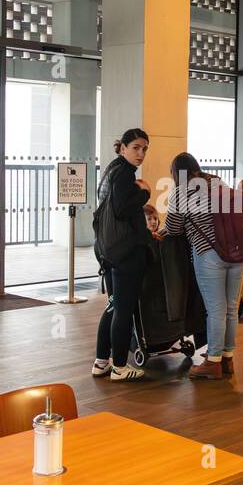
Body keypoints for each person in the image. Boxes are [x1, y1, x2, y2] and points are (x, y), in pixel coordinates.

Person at [163, 152, 243, 380]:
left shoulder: (181, 191)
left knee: (216, 309)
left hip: (209, 254)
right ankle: (227, 358)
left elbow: (173, 228)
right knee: (230, 308)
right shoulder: (218, 183)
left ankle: (213, 360)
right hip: (237, 252)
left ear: (176, 172)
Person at [92, 128, 153, 381]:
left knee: (114, 305)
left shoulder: (111, 170)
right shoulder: (125, 174)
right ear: (123, 147)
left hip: (109, 251)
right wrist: (145, 192)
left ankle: (101, 361)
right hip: (126, 253)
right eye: (136, 147)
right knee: (124, 308)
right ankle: (119, 365)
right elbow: (121, 208)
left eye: (145, 149)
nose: (141, 154)